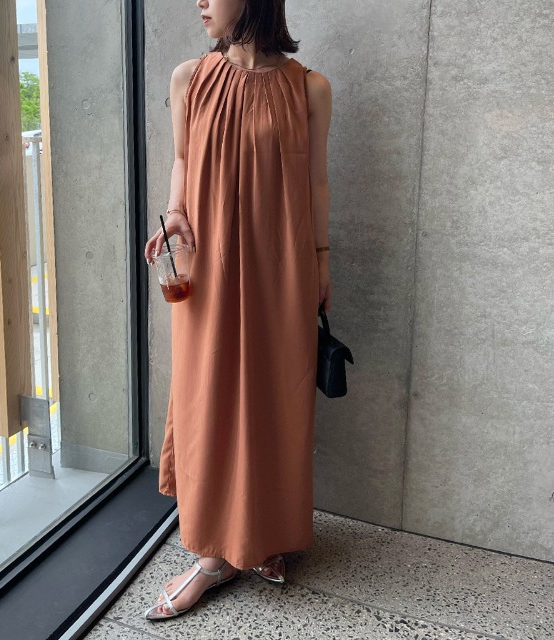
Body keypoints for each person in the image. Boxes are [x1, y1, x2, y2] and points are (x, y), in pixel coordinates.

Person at [142, 0, 332, 621]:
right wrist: (175, 215)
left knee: (277, 398)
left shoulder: (309, 88)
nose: (200, 1)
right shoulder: (189, 79)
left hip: (282, 268)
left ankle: (263, 536)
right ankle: (211, 557)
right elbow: (182, 161)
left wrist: (322, 261)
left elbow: (317, 183)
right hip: (207, 267)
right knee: (209, 396)